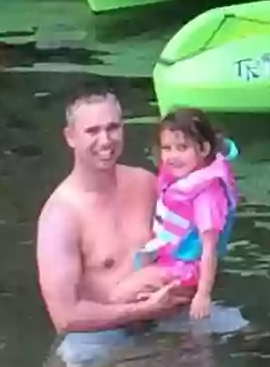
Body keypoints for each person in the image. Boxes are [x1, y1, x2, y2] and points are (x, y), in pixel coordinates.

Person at [35, 88, 193, 340]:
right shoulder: (61, 216)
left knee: (241, 330)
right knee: (73, 361)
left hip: (166, 314)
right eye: (92, 131)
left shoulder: (145, 183)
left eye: (112, 128)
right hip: (100, 333)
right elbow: (64, 317)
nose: (106, 140)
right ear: (70, 137)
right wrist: (141, 310)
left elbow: (187, 245)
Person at [136, 107, 241, 320]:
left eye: (182, 147)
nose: (172, 156)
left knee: (122, 293)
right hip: (170, 255)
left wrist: (203, 295)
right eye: (167, 148)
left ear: (203, 149)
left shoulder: (207, 197)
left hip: (188, 269)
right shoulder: (184, 175)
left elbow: (209, 249)